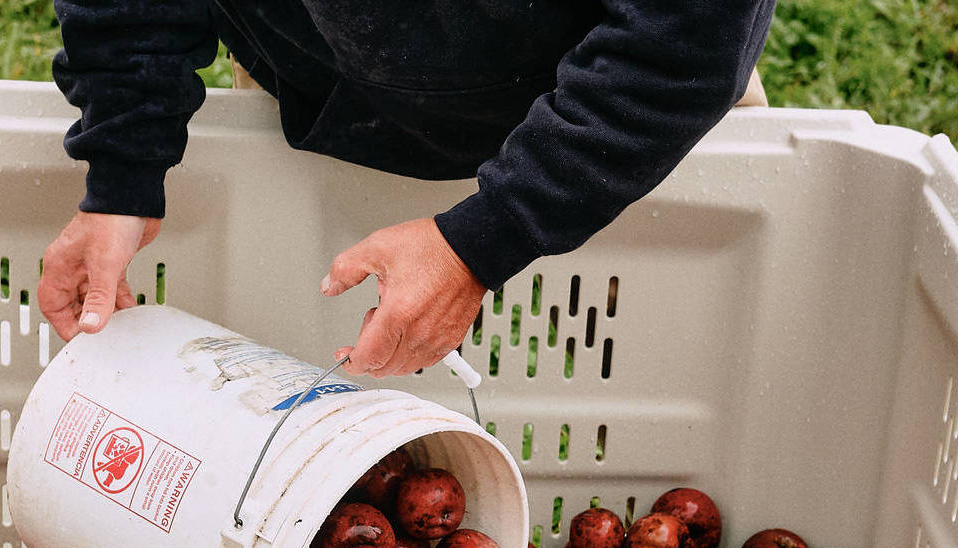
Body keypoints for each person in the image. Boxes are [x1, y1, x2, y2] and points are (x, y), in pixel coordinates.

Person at [39, 0, 775, 378]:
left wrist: (489, 237)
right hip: (317, 74)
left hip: (612, 99)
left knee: (643, 349)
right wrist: (124, 162)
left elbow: (683, 40)